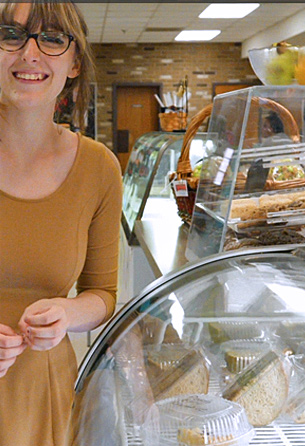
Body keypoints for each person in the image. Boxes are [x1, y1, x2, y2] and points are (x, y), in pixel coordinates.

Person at [0, 2, 122, 445]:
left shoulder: (98, 168)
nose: (29, 53)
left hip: (45, 398)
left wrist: (67, 313)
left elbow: (103, 295)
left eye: (51, 38)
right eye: (11, 35)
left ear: (73, 63)